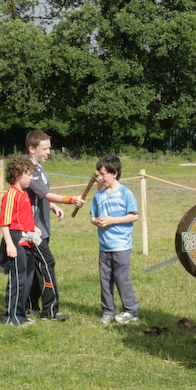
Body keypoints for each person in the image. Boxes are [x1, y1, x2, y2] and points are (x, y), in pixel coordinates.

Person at [25, 130, 84, 321]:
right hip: (33, 230)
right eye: (45, 148)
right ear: (31, 149)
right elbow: (46, 194)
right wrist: (70, 199)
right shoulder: (29, 170)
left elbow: (41, 196)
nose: (49, 152)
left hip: (42, 226)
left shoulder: (39, 168)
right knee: (46, 264)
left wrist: (52, 207)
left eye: (49, 148)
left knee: (36, 267)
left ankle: (30, 306)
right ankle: (50, 311)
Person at [90, 155, 141, 325]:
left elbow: (134, 216)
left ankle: (131, 310)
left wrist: (113, 220)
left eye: (103, 174)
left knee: (121, 278)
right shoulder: (99, 196)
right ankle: (108, 311)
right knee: (105, 279)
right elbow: (92, 216)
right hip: (104, 246)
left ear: (115, 173)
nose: (100, 178)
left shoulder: (126, 193)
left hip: (121, 246)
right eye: (99, 174)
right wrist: (96, 221)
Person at [0, 156, 41, 326]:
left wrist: (34, 228)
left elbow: (23, 218)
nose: (32, 178)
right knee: (18, 279)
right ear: (17, 174)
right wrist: (9, 244)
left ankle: (22, 314)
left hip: (27, 240)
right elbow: (4, 222)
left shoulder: (23, 194)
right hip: (16, 240)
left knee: (27, 278)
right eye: (29, 174)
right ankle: (12, 317)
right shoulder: (11, 195)